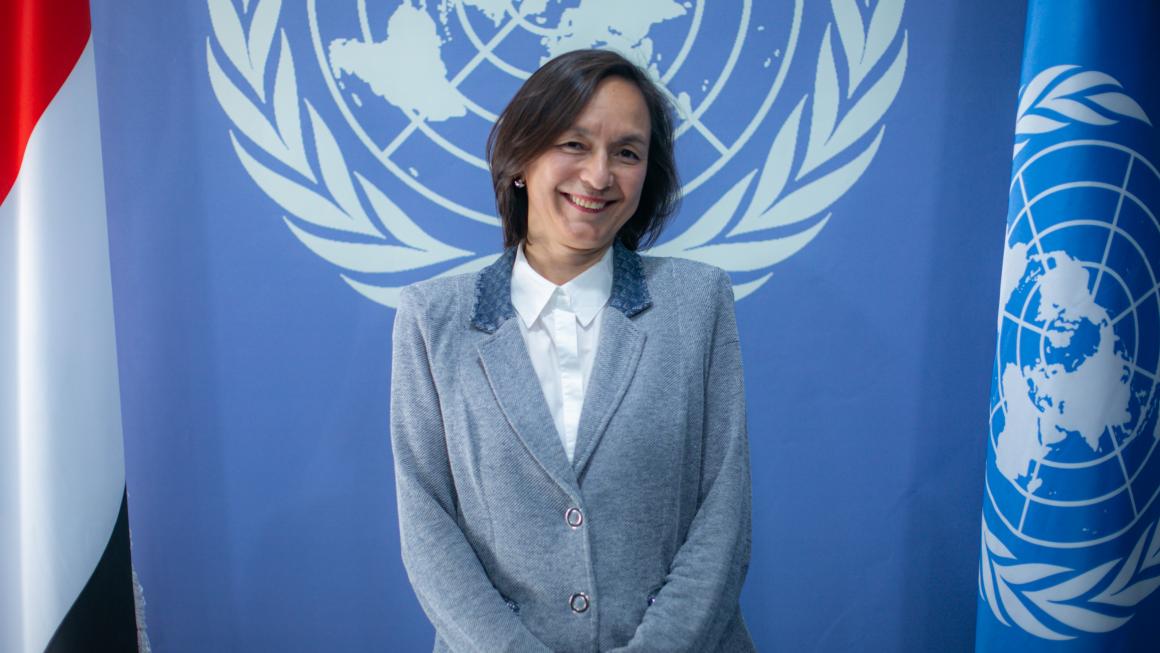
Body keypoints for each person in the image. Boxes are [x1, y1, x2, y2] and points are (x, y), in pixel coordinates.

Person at [390, 49, 754, 652]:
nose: (599, 175)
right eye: (574, 144)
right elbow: (427, 525)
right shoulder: (432, 318)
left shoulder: (697, 302)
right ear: (520, 158)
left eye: (627, 153)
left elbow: (724, 513)